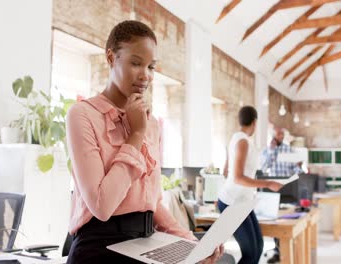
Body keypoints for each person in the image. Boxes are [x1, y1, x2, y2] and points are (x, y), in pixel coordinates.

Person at [65, 20, 224, 263]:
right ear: (111, 58)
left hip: (145, 246)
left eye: (151, 67)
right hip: (98, 250)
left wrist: (190, 241)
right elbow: (102, 206)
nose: (146, 75)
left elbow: (153, 203)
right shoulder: (82, 115)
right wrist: (135, 135)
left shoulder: (149, 124)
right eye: (136, 63)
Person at [218, 106, 283, 264]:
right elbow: (238, 178)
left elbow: (227, 171)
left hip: (242, 201)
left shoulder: (236, 138)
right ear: (254, 122)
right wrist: (268, 183)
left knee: (258, 247)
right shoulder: (243, 142)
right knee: (250, 253)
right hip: (232, 203)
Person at [260, 127, 303, 264]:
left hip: (287, 187)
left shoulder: (289, 150)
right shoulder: (267, 150)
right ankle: (278, 249)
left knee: (285, 218)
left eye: (283, 134)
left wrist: (299, 166)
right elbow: (263, 168)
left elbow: (296, 170)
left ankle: (282, 249)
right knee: (275, 220)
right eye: (279, 134)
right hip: (272, 188)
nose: (281, 136)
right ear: (273, 135)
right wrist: (272, 151)